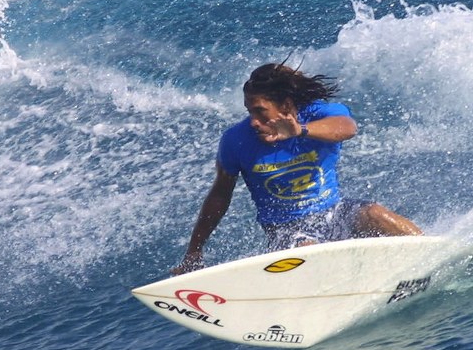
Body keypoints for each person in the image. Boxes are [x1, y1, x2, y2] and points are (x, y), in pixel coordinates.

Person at [171, 63, 421, 274]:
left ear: (286, 106)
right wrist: (195, 251)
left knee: (375, 214)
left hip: (335, 212)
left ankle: (427, 257)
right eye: (250, 112)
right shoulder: (236, 140)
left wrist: (300, 131)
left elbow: (347, 128)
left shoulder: (318, 115)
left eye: (260, 111)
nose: (255, 121)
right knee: (307, 251)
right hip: (286, 230)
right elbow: (219, 196)